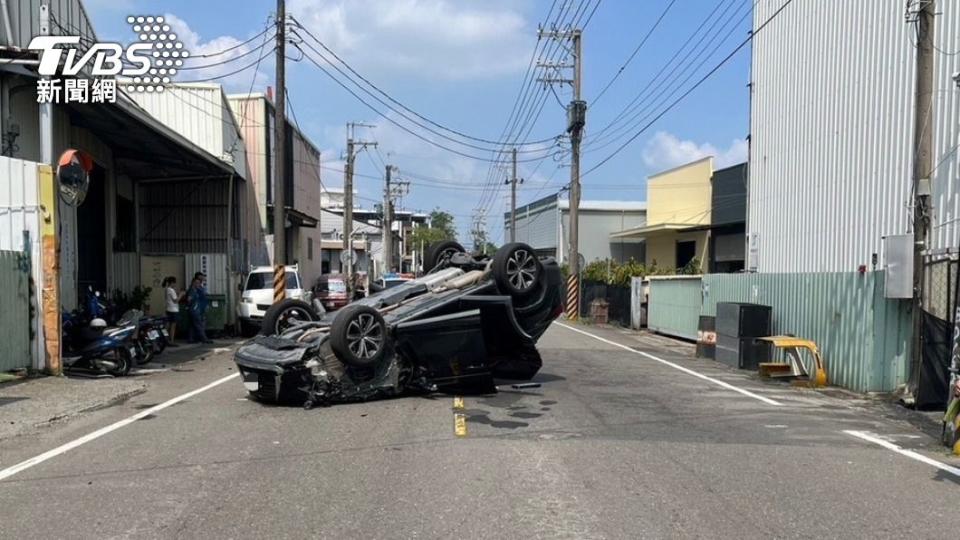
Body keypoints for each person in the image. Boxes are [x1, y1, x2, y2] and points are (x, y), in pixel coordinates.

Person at [186, 272, 212, 344]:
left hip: (194, 309)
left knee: (192, 325)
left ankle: (190, 338)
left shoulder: (196, 290)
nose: (198, 284)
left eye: (199, 283)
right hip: (194, 309)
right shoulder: (192, 290)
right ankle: (204, 339)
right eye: (197, 283)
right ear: (194, 283)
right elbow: (189, 299)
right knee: (199, 324)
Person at [162, 276, 183, 346]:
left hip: (169, 309)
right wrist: (181, 294)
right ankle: (171, 340)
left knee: (168, 325)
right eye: (175, 283)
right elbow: (176, 300)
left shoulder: (167, 289)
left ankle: (165, 339)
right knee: (173, 326)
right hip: (173, 310)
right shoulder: (171, 290)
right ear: (172, 283)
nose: (175, 285)